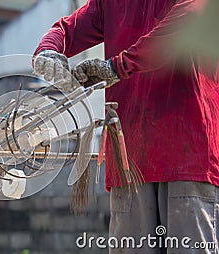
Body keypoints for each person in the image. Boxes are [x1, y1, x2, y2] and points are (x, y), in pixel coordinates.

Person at [32, 0, 219, 253]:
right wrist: (48, 50)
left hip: (186, 155)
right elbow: (67, 30)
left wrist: (117, 67)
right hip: (129, 158)